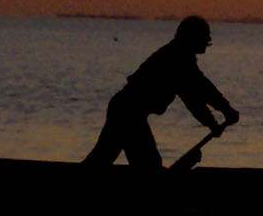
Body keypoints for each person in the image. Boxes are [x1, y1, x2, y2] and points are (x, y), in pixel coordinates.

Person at [85, 15, 239, 169]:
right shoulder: (178, 57)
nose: (208, 40)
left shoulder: (181, 56)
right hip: (129, 112)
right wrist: (219, 116)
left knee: (102, 160)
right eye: (205, 36)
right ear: (193, 37)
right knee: (146, 165)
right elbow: (197, 95)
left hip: (123, 109)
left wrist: (216, 118)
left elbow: (197, 93)